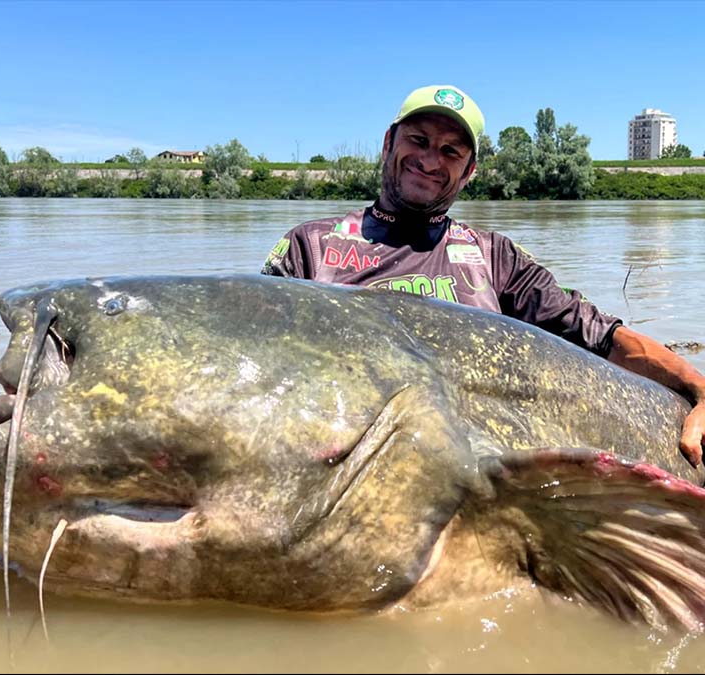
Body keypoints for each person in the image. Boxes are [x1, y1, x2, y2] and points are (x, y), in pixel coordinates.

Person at [261, 84, 705, 467]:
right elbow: (260, 373)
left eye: (451, 151)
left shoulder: (495, 257)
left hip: (475, 475)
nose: (431, 160)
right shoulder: (308, 248)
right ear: (388, 142)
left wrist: (698, 387)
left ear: (469, 171)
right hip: (344, 470)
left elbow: (599, 336)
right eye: (418, 139)